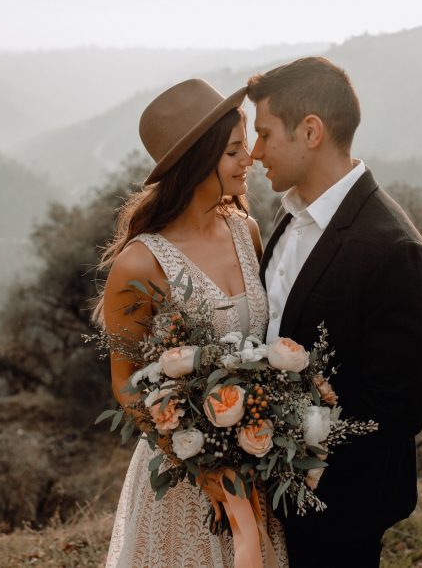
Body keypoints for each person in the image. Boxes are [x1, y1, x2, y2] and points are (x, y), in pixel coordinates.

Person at [246, 57, 422, 567]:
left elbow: (398, 409)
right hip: (269, 502)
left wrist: (293, 455)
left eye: (264, 134)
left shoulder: (395, 250)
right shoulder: (289, 217)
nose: (254, 152)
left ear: (310, 132)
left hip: (340, 513)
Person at [94, 79, 289, 568]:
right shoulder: (139, 264)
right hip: (184, 481)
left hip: (256, 465)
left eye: (245, 147)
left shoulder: (246, 231)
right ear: (197, 162)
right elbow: (125, 384)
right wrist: (196, 460)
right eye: (233, 151)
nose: (249, 159)